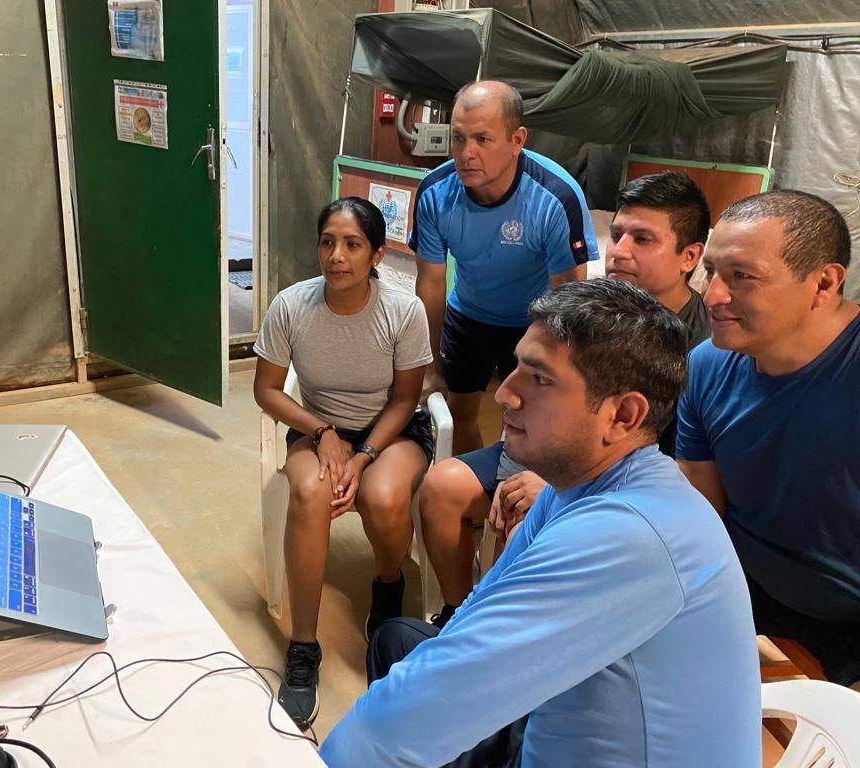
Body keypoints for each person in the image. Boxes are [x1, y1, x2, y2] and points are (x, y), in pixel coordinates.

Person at [320, 280, 761, 768]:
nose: (505, 394)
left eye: (539, 378)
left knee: (403, 711)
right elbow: (476, 617)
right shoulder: (571, 486)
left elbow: (410, 718)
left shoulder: (631, 535)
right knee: (401, 645)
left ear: (622, 415)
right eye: (515, 368)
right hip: (550, 730)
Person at [419, 171, 712, 625]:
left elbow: (676, 470)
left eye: (643, 239)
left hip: (613, 484)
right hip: (551, 449)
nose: (620, 251)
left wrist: (560, 488)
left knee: (527, 526)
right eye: (617, 234)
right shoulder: (592, 310)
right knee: (440, 489)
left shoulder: (701, 351)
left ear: (689, 256)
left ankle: (503, 637)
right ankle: (458, 615)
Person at [253, 197, 434, 729]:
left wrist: (365, 455)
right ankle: (303, 649)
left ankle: (387, 585)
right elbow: (266, 390)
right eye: (328, 242)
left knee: (381, 494)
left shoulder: (403, 310)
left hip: (390, 429)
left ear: (377, 254)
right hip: (320, 425)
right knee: (309, 491)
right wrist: (323, 431)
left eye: (353, 244)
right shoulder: (291, 305)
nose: (337, 256)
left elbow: (405, 400)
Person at [677, 189, 860, 687]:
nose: (712, 294)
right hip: (742, 592)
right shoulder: (707, 366)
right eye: (711, 271)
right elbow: (699, 504)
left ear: (823, 283)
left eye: (742, 277)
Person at [411, 80, 598, 456]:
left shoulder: (555, 197)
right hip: (468, 317)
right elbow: (430, 282)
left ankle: (522, 505)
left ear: (517, 140)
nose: (467, 154)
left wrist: (556, 365)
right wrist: (429, 364)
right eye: (458, 138)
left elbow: (566, 298)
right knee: (460, 414)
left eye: (483, 139)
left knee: (534, 421)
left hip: (534, 324)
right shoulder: (434, 192)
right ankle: (469, 501)